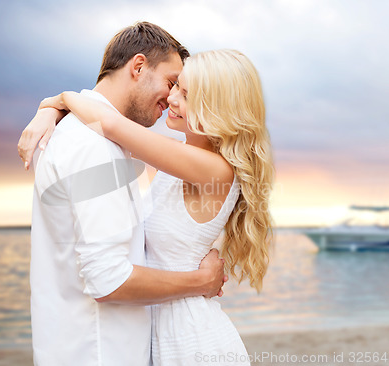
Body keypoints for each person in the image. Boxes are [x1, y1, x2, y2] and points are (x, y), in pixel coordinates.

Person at [21, 49, 274, 365]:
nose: (172, 98)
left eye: (186, 94)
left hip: (191, 338)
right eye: (176, 86)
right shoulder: (179, 159)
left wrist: (59, 99)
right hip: (161, 328)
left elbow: (111, 125)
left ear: (218, 108)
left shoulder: (215, 170)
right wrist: (50, 111)